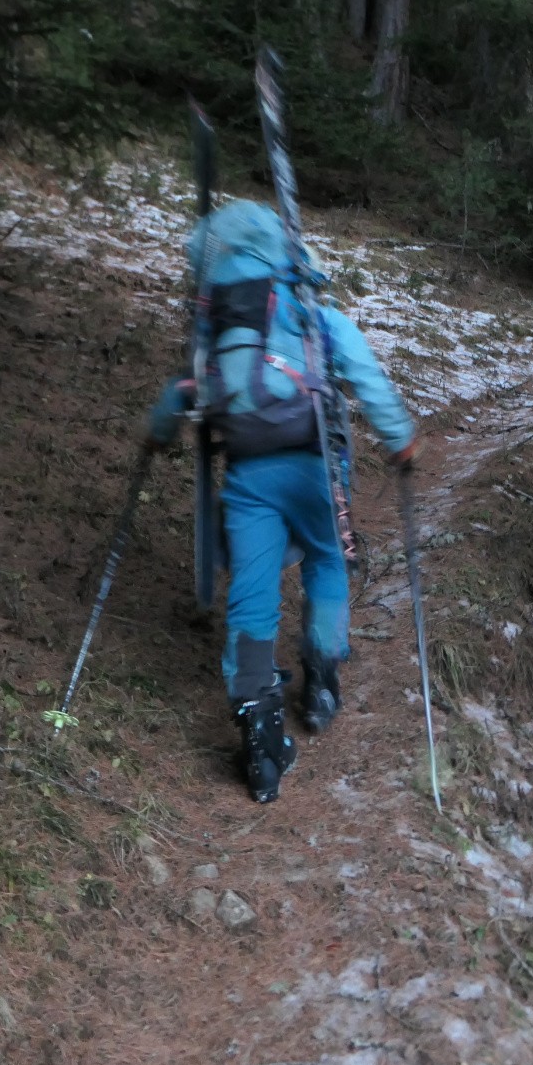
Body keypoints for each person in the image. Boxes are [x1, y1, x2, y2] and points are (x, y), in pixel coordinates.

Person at [147, 199, 416, 803]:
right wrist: (401, 442)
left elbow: (184, 388)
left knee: (252, 592)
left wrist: (158, 432)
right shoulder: (308, 307)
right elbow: (365, 375)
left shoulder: (219, 320)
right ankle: (321, 682)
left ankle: (260, 737)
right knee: (326, 558)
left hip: (247, 477)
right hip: (314, 464)